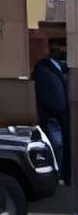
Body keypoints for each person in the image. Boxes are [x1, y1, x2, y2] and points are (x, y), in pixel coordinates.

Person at [36, 37, 69, 169]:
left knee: (60, 146)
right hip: (53, 116)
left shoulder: (61, 68)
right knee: (56, 146)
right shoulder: (43, 68)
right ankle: (56, 170)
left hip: (59, 115)